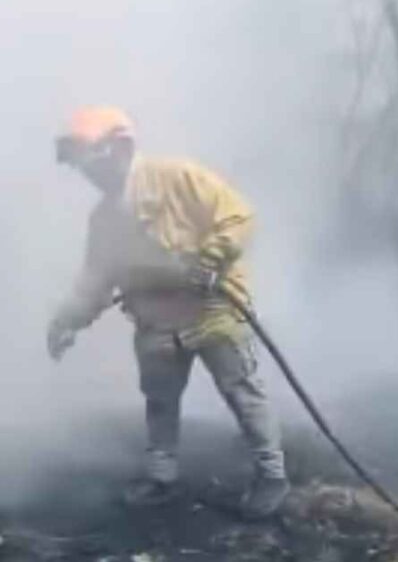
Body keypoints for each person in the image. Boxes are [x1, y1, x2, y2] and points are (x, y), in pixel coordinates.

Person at [46, 106, 290, 519]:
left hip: (213, 309)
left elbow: (237, 216)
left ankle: (272, 476)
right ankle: (162, 478)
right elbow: (95, 278)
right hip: (155, 321)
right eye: (84, 169)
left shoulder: (177, 177)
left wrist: (211, 259)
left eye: (94, 164)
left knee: (242, 393)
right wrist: (66, 319)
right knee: (160, 401)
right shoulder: (104, 218)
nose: (90, 176)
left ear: (120, 149)